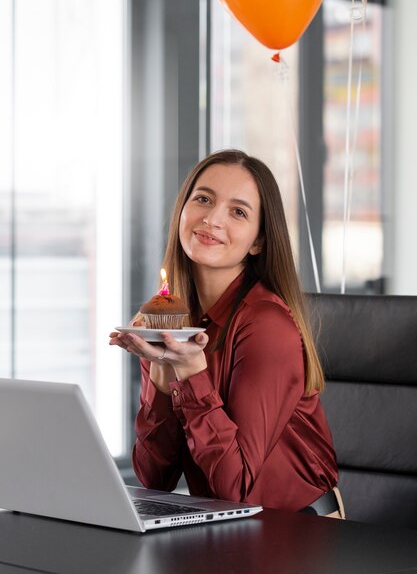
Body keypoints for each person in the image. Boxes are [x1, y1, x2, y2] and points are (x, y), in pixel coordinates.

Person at [109, 149, 344, 518]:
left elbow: (236, 490)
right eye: (203, 199)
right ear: (182, 211)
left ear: (258, 242)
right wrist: (160, 372)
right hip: (226, 528)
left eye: (238, 212)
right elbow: (155, 479)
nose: (211, 219)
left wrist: (190, 373)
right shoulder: (173, 322)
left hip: (299, 532)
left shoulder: (268, 325)